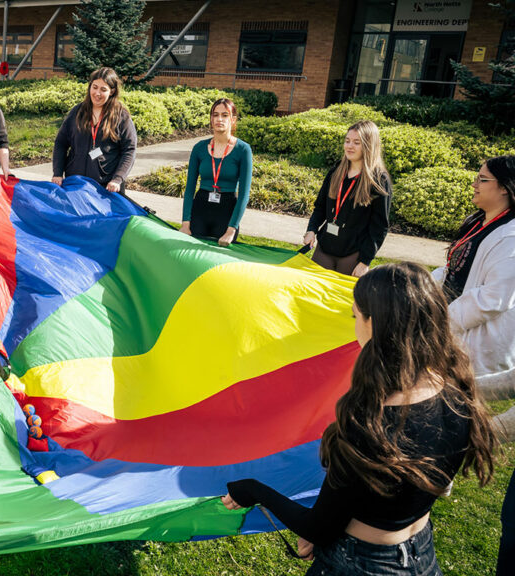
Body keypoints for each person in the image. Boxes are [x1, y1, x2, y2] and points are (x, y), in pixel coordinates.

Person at [221, 262, 497, 576]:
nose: (355, 327)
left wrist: (254, 490)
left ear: (372, 323)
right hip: (421, 554)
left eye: (356, 316)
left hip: (361, 563)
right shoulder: (457, 392)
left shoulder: (369, 425)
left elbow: (319, 530)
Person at [425, 155, 515, 575]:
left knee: (456, 404)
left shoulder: (511, 236)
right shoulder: (479, 223)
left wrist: (441, 317)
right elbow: (453, 267)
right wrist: (425, 287)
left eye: (483, 179)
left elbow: (493, 298)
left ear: (506, 188)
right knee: (441, 400)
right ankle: (434, 467)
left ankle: (438, 476)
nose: (475, 184)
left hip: (472, 339)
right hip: (449, 325)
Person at [303, 120, 391, 277]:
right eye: (347, 141)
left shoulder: (378, 180)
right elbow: (320, 207)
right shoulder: (336, 170)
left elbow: (379, 227)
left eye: (357, 142)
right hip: (325, 248)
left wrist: (365, 261)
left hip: (352, 255)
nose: (349, 146)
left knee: (340, 301)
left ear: (369, 146)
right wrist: (311, 230)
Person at [51, 67, 137, 195]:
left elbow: (129, 150)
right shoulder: (77, 112)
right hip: (76, 184)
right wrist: (57, 173)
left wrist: (117, 179)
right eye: (94, 87)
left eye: (103, 90)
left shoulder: (121, 116)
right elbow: (61, 143)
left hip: (106, 188)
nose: (97, 93)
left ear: (112, 92)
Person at [180, 98, 252, 246]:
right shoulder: (199, 148)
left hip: (226, 213)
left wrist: (231, 230)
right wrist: (185, 223)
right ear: (211, 119)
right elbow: (189, 189)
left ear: (233, 119)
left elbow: (244, 194)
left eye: (225, 115)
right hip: (200, 209)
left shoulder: (243, 150)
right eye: (215, 115)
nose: (219, 119)